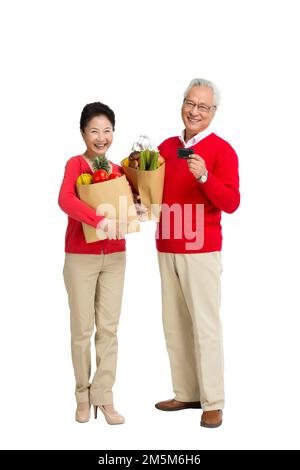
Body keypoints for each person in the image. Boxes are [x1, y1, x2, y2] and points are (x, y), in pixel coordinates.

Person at [155, 78, 240, 427]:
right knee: (174, 324)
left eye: (203, 107)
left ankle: (213, 401)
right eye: (190, 103)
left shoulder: (222, 150)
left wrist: (205, 177)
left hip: (201, 249)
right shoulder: (164, 147)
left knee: (205, 326)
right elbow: (152, 191)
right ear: (182, 104)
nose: (194, 111)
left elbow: (231, 203)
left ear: (213, 112)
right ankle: (187, 392)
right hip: (167, 244)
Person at [58, 102, 126, 425]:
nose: (102, 137)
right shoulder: (76, 165)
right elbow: (65, 200)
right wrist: (98, 220)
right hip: (81, 257)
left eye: (107, 130)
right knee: (82, 330)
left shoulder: (118, 171)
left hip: (115, 257)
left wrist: (137, 210)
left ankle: (105, 398)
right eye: (95, 131)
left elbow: (130, 204)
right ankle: (82, 397)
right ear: (83, 132)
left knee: (109, 331)